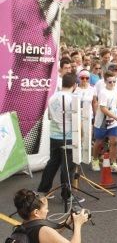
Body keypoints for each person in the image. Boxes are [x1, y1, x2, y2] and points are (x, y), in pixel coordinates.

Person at [37, 73, 82, 204]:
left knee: (53, 163)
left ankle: (42, 190)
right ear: (74, 85)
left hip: (54, 135)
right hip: (67, 136)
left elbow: (50, 116)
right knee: (67, 167)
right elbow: (76, 119)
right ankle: (66, 195)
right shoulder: (72, 99)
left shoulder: (52, 97)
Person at [12, 189, 89, 243]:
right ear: (36, 212)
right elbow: (48, 234)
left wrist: (67, 222)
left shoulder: (23, 227)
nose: (47, 211)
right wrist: (78, 224)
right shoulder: (43, 230)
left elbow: (51, 236)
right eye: (46, 208)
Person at [90, 71, 117, 173]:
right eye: (110, 82)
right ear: (105, 82)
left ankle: (113, 163)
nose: (112, 84)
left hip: (113, 122)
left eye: (114, 81)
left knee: (114, 142)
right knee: (99, 142)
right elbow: (103, 109)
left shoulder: (116, 90)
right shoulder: (103, 92)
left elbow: (116, 100)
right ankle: (95, 159)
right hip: (102, 122)